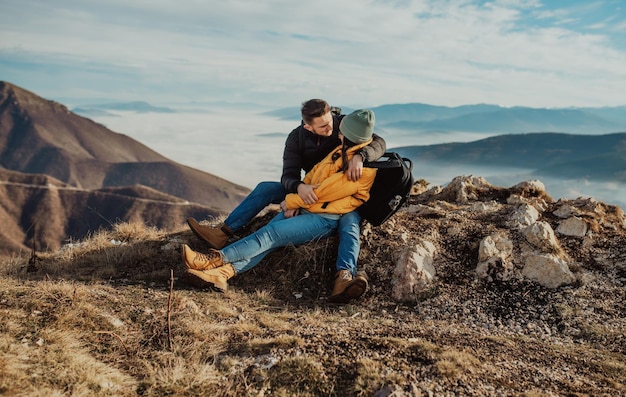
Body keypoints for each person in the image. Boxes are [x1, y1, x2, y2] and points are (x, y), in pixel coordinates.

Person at [186, 99, 386, 302]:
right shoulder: (306, 140)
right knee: (268, 230)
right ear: (308, 126)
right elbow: (298, 176)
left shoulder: (350, 143)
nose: (332, 128)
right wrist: (298, 191)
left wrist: (361, 156)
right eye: (324, 126)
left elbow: (373, 144)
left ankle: (212, 260)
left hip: (325, 209)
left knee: (276, 234)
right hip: (308, 196)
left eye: (333, 123)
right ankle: (222, 268)